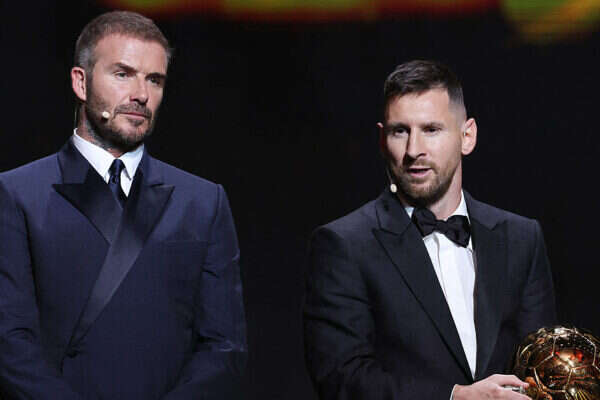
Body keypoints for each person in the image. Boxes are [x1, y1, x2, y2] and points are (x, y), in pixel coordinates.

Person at [0, 11, 246, 400]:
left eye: (154, 80)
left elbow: (224, 346)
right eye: (123, 74)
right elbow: (9, 343)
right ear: (81, 82)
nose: (141, 94)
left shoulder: (202, 201)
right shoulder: (18, 194)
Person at [303, 60, 556, 399]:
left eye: (431, 130)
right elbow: (341, 379)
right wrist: (455, 397)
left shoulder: (521, 238)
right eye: (400, 131)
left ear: (467, 136)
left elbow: (542, 369)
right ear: (382, 140)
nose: (413, 150)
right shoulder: (343, 245)